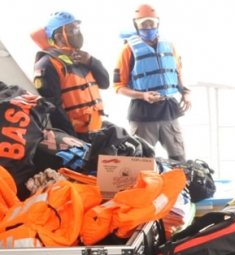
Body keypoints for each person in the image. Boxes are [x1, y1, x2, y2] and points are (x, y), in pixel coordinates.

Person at [113, 4, 191, 162]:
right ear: (136, 25)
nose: (148, 27)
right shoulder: (127, 50)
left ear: (157, 23)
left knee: (179, 159)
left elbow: (177, 74)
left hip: (169, 110)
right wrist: (143, 95)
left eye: (151, 23)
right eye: (143, 24)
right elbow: (118, 87)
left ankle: (181, 186)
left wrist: (186, 92)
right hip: (143, 113)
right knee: (142, 162)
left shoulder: (170, 46)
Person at [32, 12, 109, 139]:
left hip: (97, 131)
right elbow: (53, 107)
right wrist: (72, 139)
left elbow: (105, 83)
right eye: (72, 30)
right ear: (60, 37)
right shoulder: (47, 64)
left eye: (78, 28)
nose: (78, 33)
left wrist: (92, 61)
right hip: (76, 135)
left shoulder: (83, 58)